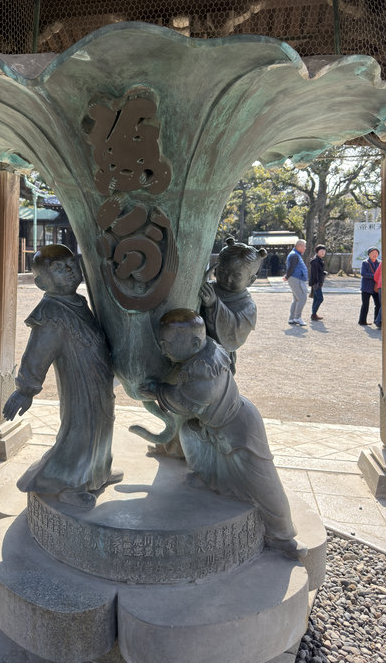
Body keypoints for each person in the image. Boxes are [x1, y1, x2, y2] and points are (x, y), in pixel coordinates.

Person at [138, 309, 307, 560]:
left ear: (194, 343)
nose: (163, 350)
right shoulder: (206, 350)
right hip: (214, 425)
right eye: (162, 344)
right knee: (189, 433)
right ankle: (206, 477)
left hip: (240, 428)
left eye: (168, 344)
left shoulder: (204, 371)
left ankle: (283, 537)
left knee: (264, 484)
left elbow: (184, 401)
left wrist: (157, 391)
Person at [3, 244, 122, 509]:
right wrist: (25, 389)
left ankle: (98, 471)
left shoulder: (78, 301)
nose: (69, 270)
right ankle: (70, 484)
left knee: (104, 423)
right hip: (78, 383)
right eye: (58, 268)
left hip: (98, 378)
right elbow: (38, 353)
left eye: (71, 264)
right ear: (41, 283)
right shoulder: (51, 313)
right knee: (80, 429)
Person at [199, 237, 266, 373]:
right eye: (223, 272)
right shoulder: (208, 288)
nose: (228, 278)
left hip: (217, 358)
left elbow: (234, 335)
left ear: (251, 280)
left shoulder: (248, 306)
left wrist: (214, 304)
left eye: (236, 276)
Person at [283, 239, 308, 326]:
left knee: (296, 299)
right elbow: (291, 267)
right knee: (302, 298)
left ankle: (292, 318)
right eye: (304, 246)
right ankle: (297, 317)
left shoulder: (295, 254)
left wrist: (287, 276)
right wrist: (287, 276)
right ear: (299, 246)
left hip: (296, 278)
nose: (305, 248)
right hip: (296, 279)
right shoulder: (294, 255)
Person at [358, 246, 381, 325]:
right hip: (366, 287)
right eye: (372, 253)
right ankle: (362, 321)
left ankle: (377, 320)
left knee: (378, 304)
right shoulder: (365, 262)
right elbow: (363, 273)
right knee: (365, 305)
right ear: (369, 254)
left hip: (376, 287)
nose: (374, 254)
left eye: (376, 253)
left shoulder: (380, 263)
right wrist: (375, 276)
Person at [309, 244, 327, 321]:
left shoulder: (319, 260)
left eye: (324, 251)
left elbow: (318, 272)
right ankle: (313, 314)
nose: (323, 252)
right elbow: (314, 273)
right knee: (320, 298)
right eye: (321, 251)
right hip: (316, 283)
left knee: (316, 299)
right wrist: (316, 283)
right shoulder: (315, 261)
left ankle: (314, 313)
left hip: (318, 282)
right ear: (317, 252)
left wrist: (323, 273)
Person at [374, 262, 382, 328]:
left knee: (382, 304)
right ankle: (378, 321)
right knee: (385, 305)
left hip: (380, 286)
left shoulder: (382, 263)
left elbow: (376, 276)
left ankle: (379, 321)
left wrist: (379, 282)